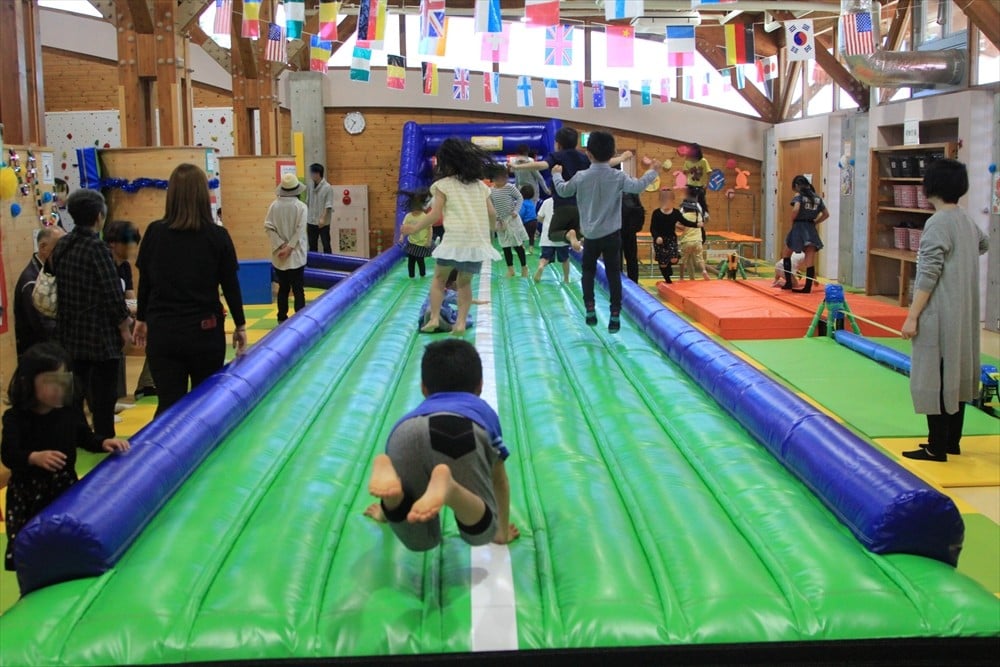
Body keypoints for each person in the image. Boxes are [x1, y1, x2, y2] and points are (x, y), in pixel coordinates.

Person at [365, 339, 518, 548]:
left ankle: (394, 500)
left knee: (421, 541)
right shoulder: (482, 410)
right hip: (464, 430)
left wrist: (384, 513)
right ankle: (452, 490)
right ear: (480, 386)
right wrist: (501, 531)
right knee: (482, 534)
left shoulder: (413, 414)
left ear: (423, 389)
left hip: (403, 434)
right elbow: (499, 479)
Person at [1, 342, 130, 571]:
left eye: (63, 380)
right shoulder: (16, 418)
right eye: (51, 382)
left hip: (64, 488)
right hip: (28, 495)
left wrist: (102, 442)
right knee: (31, 551)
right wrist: (33, 457)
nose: (59, 388)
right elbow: (9, 454)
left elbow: (82, 436)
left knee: (64, 544)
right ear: (28, 383)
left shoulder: (68, 411)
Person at [134, 163, 247, 416]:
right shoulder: (218, 236)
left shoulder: (155, 232)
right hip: (204, 332)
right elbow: (230, 285)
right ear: (202, 196)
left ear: (171, 195)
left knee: (168, 404)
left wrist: (141, 319)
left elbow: (146, 283)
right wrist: (240, 325)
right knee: (204, 405)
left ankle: (162, 454)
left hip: (164, 332)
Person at [901, 159, 989, 462]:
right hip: (962, 311)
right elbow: (983, 243)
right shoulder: (964, 220)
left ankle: (936, 446)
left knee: (934, 374)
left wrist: (912, 316)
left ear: (931, 187)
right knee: (957, 372)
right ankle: (952, 441)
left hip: (939, 311)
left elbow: (928, 274)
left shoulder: (937, 222)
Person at [553, 131, 659, 333]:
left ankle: (590, 307)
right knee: (613, 274)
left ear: (588, 154)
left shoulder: (581, 176)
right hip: (612, 236)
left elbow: (563, 190)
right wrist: (652, 171)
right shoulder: (618, 176)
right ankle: (615, 313)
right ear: (612, 154)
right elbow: (638, 187)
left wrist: (556, 174)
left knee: (588, 271)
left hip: (591, 236)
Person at [51, 190, 133, 440]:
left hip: (68, 331)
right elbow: (111, 293)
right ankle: (105, 438)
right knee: (103, 396)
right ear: (99, 216)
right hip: (98, 336)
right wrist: (124, 327)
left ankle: (77, 435)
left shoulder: (63, 243)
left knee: (73, 392)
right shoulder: (97, 248)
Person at [400, 139, 500, 336]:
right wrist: (489, 232)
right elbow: (491, 213)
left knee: (439, 278)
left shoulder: (443, 185)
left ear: (446, 163)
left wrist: (413, 229)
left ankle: (435, 317)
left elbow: (434, 214)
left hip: (454, 240)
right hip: (475, 243)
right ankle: (460, 323)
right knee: (464, 283)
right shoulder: (481, 186)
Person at [513, 127, 632, 253]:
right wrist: (622, 158)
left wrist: (517, 166)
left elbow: (541, 165)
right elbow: (606, 163)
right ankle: (577, 237)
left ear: (558, 144)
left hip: (562, 205)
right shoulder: (583, 157)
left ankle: (570, 235)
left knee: (553, 234)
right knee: (580, 230)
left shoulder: (557, 156)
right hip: (580, 206)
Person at [104, 220, 143, 401]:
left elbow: (129, 295)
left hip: (123, 314)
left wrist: (139, 310)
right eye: (129, 242)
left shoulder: (125, 266)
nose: (132, 247)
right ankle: (108, 400)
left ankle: (146, 384)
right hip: (107, 319)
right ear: (113, 243)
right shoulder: (104, 263)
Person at [13, 226, 65, 357]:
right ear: (43, 247)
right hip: (37, 355)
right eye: (60, 247)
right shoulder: (31, 281)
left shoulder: (50, 271)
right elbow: (43, 327)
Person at [265, 173, 309, 323]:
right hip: (296, 254)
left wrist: (281, 244)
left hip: (279, 255)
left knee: (283, 288)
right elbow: (300, 230)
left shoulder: (274, 206)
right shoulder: (301, 207)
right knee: (298, 289)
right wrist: (290, 247)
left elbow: (269, 227)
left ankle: (281, 318)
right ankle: (300, 320)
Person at [780, 175, 829, 293]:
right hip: (811, 228)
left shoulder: (799, 196)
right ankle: (807, 287)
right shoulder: (817, 198)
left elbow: (796, 209)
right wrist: (815, 222)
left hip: (799, 227)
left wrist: (792, 219)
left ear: (797, 186)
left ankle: (788, 282)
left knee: (786, 253)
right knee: (809, 259)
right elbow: (826, 214)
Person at [490, 164, 529, 278]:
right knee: (505, 246)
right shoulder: (491, 190)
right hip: (500, 221)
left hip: (512, 219)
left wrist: (516, 211)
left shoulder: (510, 187)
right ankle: (510, 269)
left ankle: (524, 267)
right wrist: (495, 218)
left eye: (503, 178)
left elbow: (520, 198)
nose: (500, 180)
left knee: (517, 244)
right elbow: (491, 205)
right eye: (497, 178)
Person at [648, 188, 687, 284]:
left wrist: (683, 226)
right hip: (660, 239)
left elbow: (683, 223)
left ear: (672, 200)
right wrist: (657, 237)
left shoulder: (675, 212)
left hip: (671, 238)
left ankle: (669, 265)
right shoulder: (656, 213)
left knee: (674, 259)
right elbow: (653, 228)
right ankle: (668, 280)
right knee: (663, 263)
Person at [398, 189, 434, 278]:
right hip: (412, 243)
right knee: (411, 261)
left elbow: (430, 229)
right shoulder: (408, 216)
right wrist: (402, 237)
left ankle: (422, 274)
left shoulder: (424, 217)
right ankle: (411, 275)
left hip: (421, 243)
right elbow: (404, 228)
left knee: (420, 260)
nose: (415, 211)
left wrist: (428, 241)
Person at [533, 197, 570, 283]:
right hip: (562, 235)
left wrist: (546, 222)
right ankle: (566, 278)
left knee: (545, 257)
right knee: (565, 259)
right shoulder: (567, 202)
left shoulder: (547, 201)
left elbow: (539, 217)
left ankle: (541, 266)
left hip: (547, 235)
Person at [677, 187, 710, 281]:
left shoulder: (684, 216)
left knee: (683, 260)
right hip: (698, 240)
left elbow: (681, 226)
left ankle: (682, 277)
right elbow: (704, 222)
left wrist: (677, 225)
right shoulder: (698, 215)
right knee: (700, 259)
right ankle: (704, 271)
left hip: (687, 241)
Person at [307, 163, 334, 254]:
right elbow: (308, 201)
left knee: (326, 244)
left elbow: (328, 204)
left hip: (323, 223)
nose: (311, 175)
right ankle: (313, 265)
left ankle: (329, 265)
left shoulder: (327, 187)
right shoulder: (310, 185)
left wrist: (323, 218)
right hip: (311, 221)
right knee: (312, 245)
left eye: (312, 173)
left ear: (318, 174)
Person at [620, 190, 646, 282]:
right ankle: (632, 283)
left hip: (623, 231)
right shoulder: (631, 192)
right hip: (627, 231)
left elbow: (640, 211)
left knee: (629, 259)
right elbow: (640, 211)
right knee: (631, 259)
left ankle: (630, 283)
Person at [683, 143, 711, 227]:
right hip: (690, 185)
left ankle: (705, 213)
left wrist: (707, 184)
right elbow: (684, 172)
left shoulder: (703, 161)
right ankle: (687, 219)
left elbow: (709, 172)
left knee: (701, 202)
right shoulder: (687, 161)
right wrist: (689, 171)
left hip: (700, 186)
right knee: (688, 203)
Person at [518, 184, 539, 254]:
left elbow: (522, 213)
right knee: (531, 235)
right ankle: (531, 248)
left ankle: (522, 246)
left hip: (527, 222)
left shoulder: (523, 203)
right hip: (534, 221)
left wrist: (519, 219)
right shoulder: (531, 202)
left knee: (521, 234)